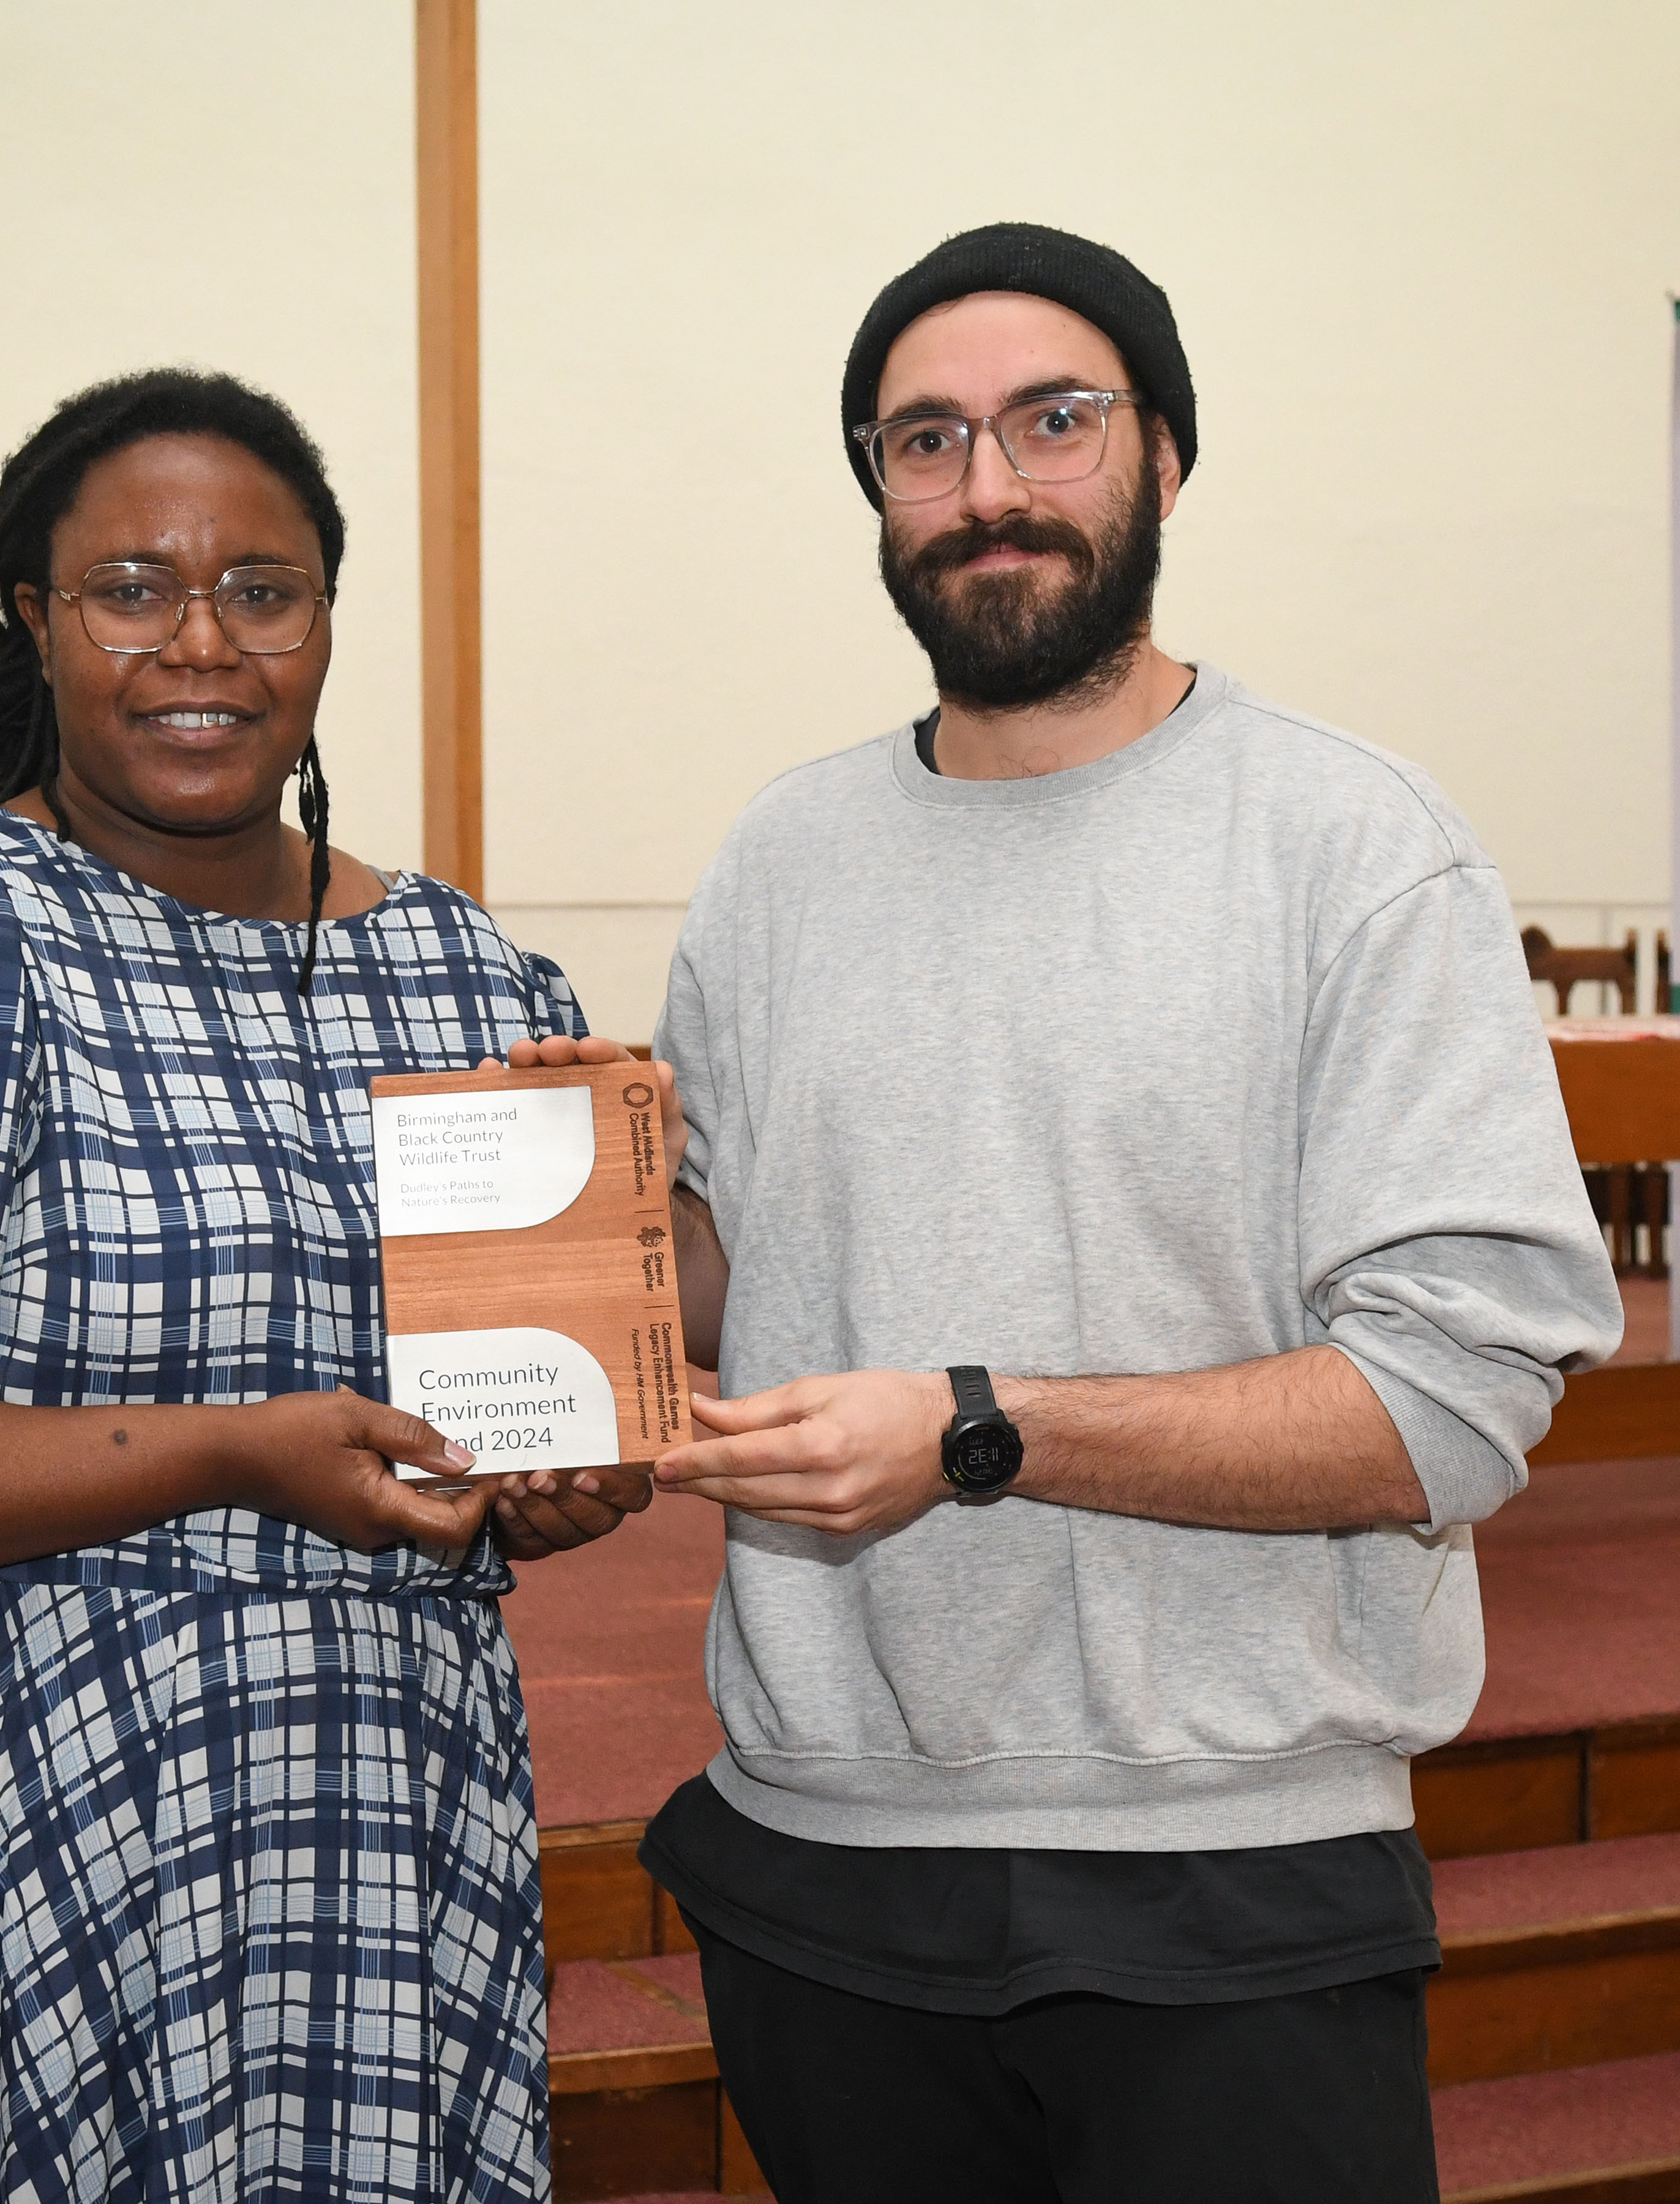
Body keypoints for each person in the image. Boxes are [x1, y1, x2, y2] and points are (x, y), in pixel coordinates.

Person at [638, 224, 1624, 2200]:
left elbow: (1447, 1409)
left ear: (1161, 457)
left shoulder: (1349, 846)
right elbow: (730, 1274)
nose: (986, 487)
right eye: (923, 441)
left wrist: (981, 1429)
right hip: (822, 1851)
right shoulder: (782, 853)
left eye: (1048, 423)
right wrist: (547, 1262)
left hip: (1227, 1864)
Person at [0, 368, 650, 2204]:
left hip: (364, 1817)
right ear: (31, 610)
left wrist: (552, 1458)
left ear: (325, 621)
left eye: (262, 590)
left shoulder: (454, 972)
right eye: (130, 588)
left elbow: (552, 1374)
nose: (203, 643)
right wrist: (230, 1454)